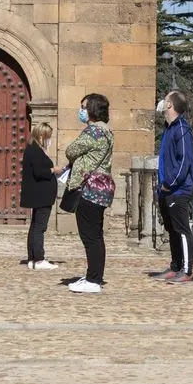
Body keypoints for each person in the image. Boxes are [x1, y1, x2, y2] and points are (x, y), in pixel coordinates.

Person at [64, 93, 115, 294]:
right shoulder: (107, 131)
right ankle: (94, 275)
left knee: (90, 237)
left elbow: (71, 150)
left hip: (90, 190)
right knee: (96, 235)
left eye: (84, 107)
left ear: (92, 109)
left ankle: (94, 280)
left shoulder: (93, 132)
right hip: (101, 189)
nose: (81, 110)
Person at [153, 90, 193, 285]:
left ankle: (187, 271)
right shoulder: (169, 128)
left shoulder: (181, 128)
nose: (162, 103)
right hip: (166, 190)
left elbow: (184, 161)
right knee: (172, 230)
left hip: (177, 190)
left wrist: (168, 184)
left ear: (170, 105)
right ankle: (175, 266)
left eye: (165, 100)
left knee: (181, 230)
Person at [20, 122, 62, 270]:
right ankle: (38, 259)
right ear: (41, 135)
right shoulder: (36, 151)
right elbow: (39, 172)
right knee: (40, 227)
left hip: (39, 194)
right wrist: (53, 169)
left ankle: (32, 258)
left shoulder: (33, 149)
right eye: (48, 136)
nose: (49, 140)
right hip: (41, 194)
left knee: (35, 226)